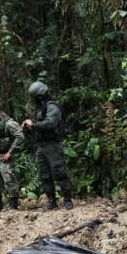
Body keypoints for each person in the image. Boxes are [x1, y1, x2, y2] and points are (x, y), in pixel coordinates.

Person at [21, 81, 73, 211]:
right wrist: (28, 127)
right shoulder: (39, 109)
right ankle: (51, 200)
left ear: (40, 95)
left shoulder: (51, 107)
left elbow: (50, 124)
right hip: (41, 146)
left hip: (52, 145)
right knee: (44, 174)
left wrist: (33, 125)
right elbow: (39, 126)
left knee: (59, 172)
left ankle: (67, 200)